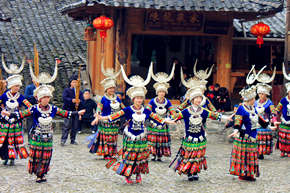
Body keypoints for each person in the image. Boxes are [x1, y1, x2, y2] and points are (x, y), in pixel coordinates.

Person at [93, 63, 175, 184]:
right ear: (133, 99)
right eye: (137, 98)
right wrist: (101, 117)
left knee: (140, 157)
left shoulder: (145, 110)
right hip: (130, 137)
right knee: (129, 156)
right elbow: (114, 116)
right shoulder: (128, 109)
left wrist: (167, 120)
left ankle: (137, 174)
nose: (139, 100)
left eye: (141, 98)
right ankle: (128, 174)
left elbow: (155, 117)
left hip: (141, 137)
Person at [2, 83, 85, 182]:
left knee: (46, 156)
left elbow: (65, 113)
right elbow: (22, 114)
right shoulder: (34, 108)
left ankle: (43, 174)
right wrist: (10, 114)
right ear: (39, 99)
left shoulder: (53, 108)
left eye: (48, 97)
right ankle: (37, 174)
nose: (46, 99)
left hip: (48, 137)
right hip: (37, 136)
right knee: (36, 156)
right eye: (44, 97)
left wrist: (77, 113)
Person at [170, 85, 226, 181]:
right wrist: (169, 119)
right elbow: (176, 114)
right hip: (190, 136)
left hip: (200, 131)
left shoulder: (204, 108)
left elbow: (213, 113)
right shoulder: (186, 110)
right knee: (189, 154)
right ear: (192, 99)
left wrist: (224, 117)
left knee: (198, 155)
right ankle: (189, 172)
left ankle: (195, 171)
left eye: (200, 97)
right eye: (197, 98)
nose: (199, 99)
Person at [229, 68, 269, 181]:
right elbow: (237, 121)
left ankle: (250, 173)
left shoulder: (253, 108)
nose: (254, 100)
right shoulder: (241, 108)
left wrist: (268, 126)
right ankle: (243, 174)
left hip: (253, 136)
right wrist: (236, 130)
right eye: (253, 98)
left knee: (251, 156)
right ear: (249, 99)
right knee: (244, 156)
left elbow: (259, 119)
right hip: (244, 136)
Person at [89, 59, 124, 159]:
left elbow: (123, 107)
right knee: (106, 138)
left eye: (113, 88)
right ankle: (106, 154)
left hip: (115, 122)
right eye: (110, 88)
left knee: (113, 138)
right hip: (105, 122)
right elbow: (99, 109)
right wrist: (97, 118)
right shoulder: (103, 98)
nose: (112, 90)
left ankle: (112, 153)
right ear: (106, 89)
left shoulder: (117, 98)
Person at [0, 57, 31, 166]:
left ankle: (13, 157)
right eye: (16, 86)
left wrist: (20, 114)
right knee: (5, 140)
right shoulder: (4, 95)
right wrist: (3, 112)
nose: (17, 88)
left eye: (18, 86)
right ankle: (5, 157)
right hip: (5, 121)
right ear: (11, 86)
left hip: (15, 121)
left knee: (14, 140)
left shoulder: (20, 97)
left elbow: (29, 106)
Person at [146, 63, 176, 161]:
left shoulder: (167, 101)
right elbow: (148, 111)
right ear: (157, 92)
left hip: (163, 123)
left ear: (165, 93)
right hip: (154, 123)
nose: (161, 93)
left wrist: (176, 117)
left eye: (163, 92)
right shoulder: (152, 101)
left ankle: (159, 155)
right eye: (160, 92)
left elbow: (171, 111)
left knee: (161, 140)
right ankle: (153, 154)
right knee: (153, 140)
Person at [254, 67, 276, 159]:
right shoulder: (255, 102)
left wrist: (273, 121)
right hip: (256, 122)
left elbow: (273, 112)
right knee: (256, 138)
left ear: (266, 94)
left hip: (265, 122)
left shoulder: (269, 103)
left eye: (263, 94)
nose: (261, 95)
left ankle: (261, 152)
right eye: (259, 94)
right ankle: (256, 152)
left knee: (263, 139)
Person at [61, 74, 83, 146]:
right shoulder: (67, 90)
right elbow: (64, 98)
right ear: (70, 83)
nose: (74, 83)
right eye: (73, 82)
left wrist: (79, 101)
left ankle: (73, 140)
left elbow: (82, 100)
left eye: (76, 82)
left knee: (75, 126)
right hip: (68, 110)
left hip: (76, 111)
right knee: (66, 125)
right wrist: (71, 100)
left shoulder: (79, 92)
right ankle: (63, 139)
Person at [274, 63, 290, 157]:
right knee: (283, 137)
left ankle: (289, 152)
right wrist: (275, 118)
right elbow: (277, 109)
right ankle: (283, 151)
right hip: (284, 121)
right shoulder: (284, 100)